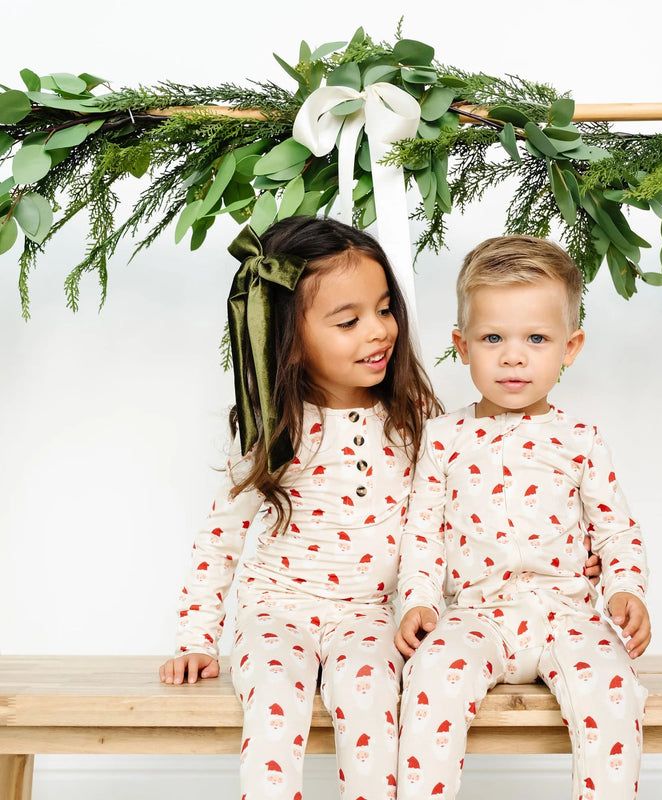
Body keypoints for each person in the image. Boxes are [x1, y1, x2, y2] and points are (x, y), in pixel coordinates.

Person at [159, 216, 442, 800]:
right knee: (273, 720)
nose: (379, 331)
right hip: (275, 612)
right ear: (288, 336)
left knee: (372, 720)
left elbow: (446, 517)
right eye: (348, 321)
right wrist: (195, 640)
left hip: (369, 617)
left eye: (385, 310)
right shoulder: (276, 427)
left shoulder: (410, 417)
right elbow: (221, 539)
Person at [394, 235, 650, 800]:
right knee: (430, 679)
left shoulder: (579, 439)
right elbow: (422, 534)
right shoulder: (443, 438)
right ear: (462, 346)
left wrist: (626, 588)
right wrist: (418, 600)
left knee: (613, 693)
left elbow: (615, 528)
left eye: (536, 338)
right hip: (477, 614)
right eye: (493, 338)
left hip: (569, 613)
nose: (514, 356)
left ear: (570, 346)